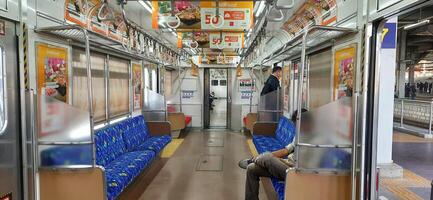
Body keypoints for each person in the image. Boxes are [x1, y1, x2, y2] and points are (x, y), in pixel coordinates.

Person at [244, 109, 307, 200]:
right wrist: (273, 157)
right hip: (287, 164)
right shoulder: (299, 135)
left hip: (294, 172)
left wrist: (273, 159)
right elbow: (286, 150)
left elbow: (304, 167)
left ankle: (256, 159)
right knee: (251, 168)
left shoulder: (316, 142)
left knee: (268, 158)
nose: (297, 127)